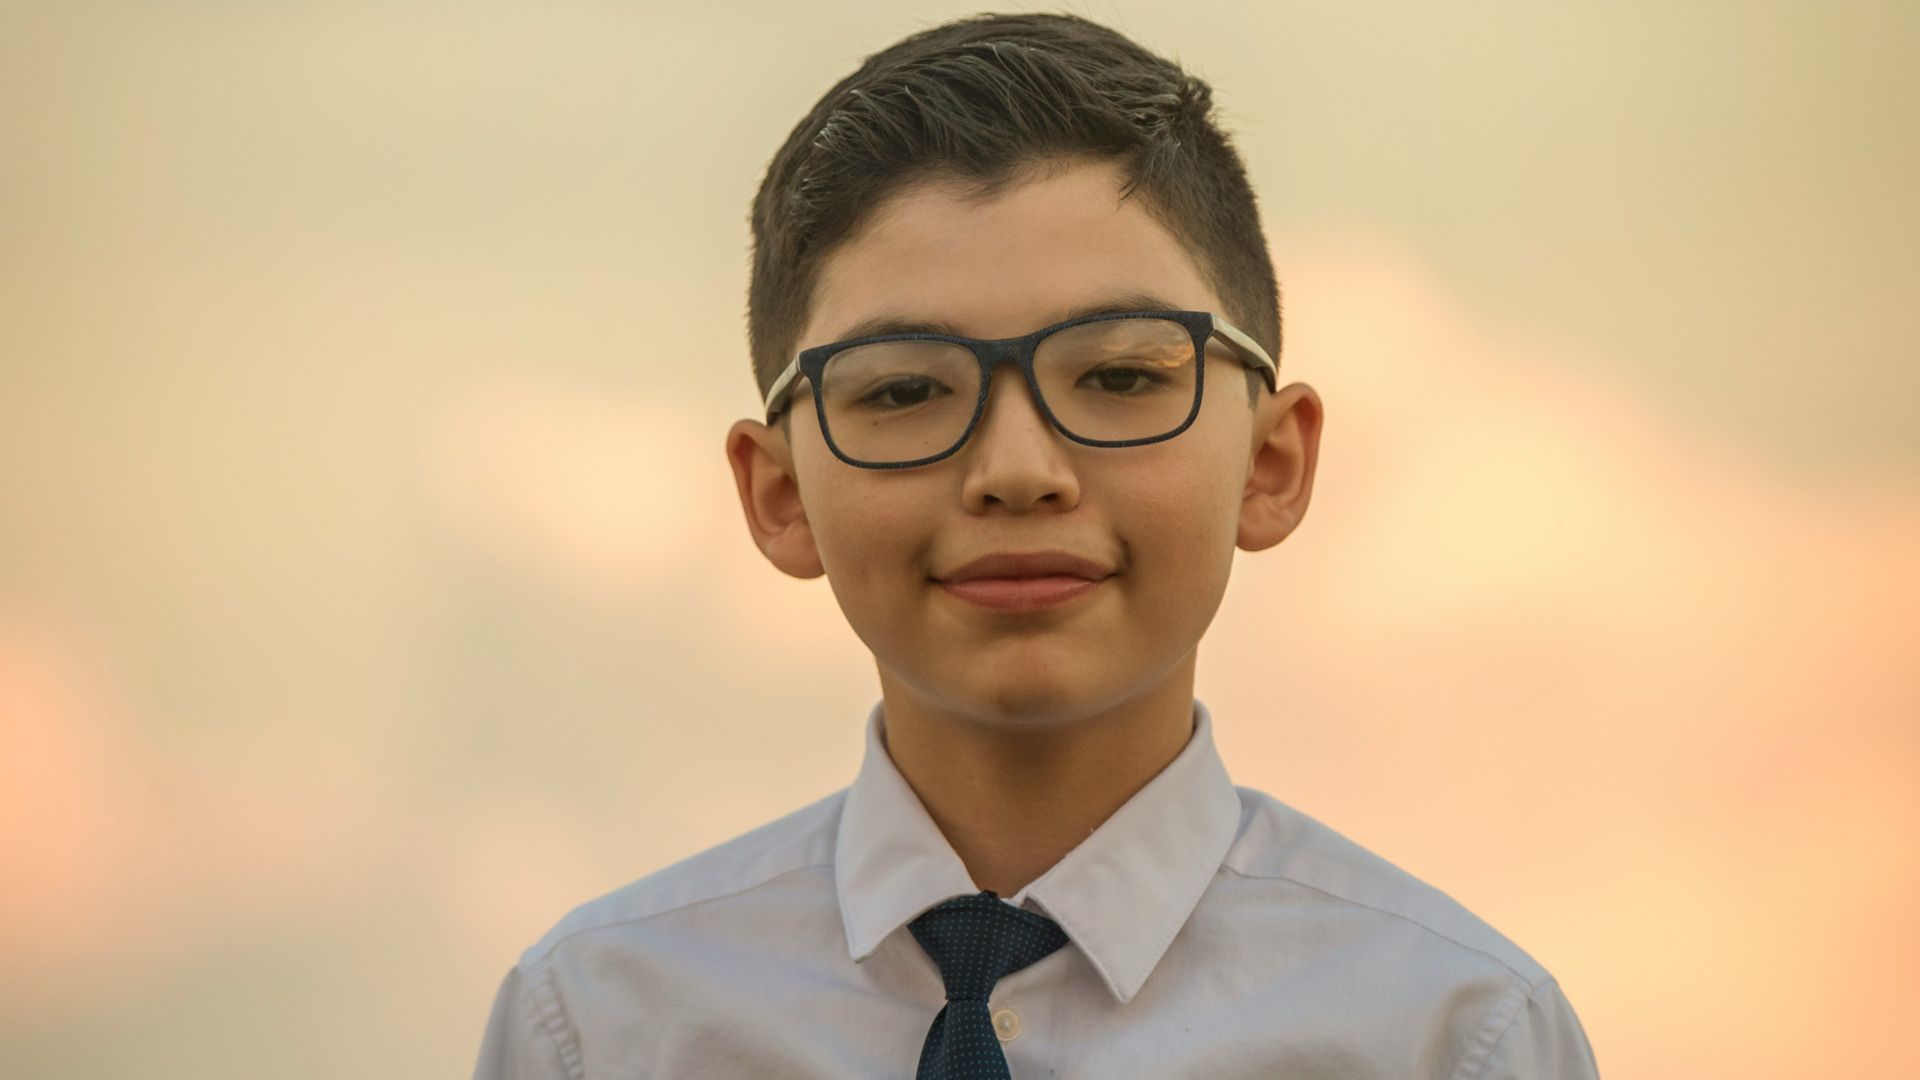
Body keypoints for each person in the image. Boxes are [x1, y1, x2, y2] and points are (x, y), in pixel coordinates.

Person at [473, 12, 1600, 1078]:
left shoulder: (1454, 1037)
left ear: (1271, 463)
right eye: (906, 387)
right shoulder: (601, 1027)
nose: (1018, 469)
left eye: (1118, 377)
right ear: (778, 495)